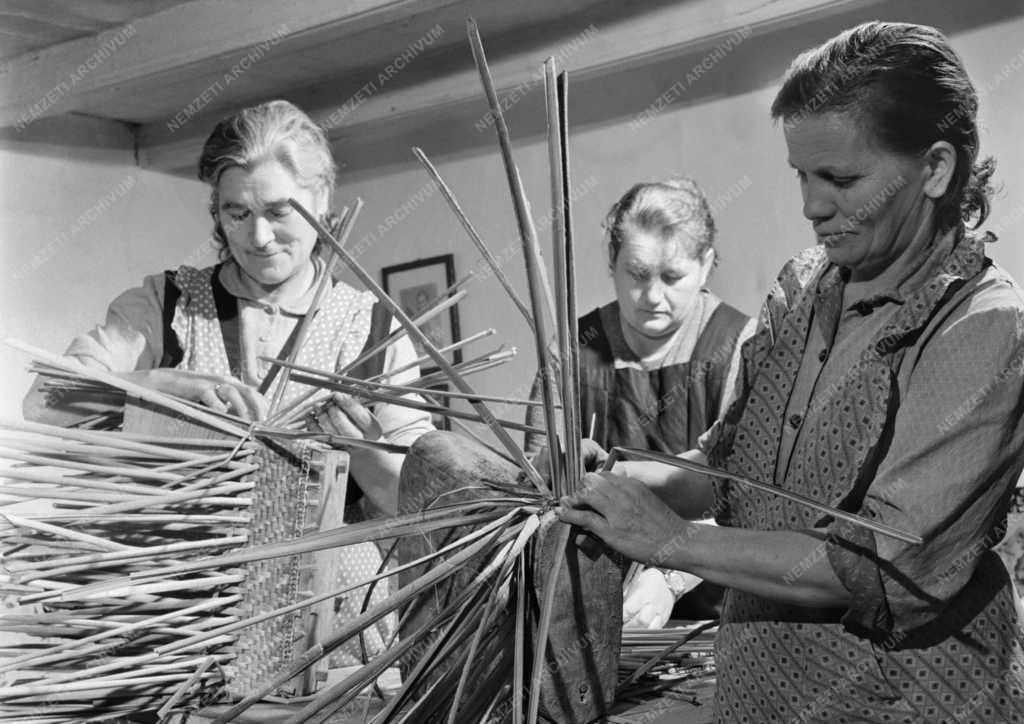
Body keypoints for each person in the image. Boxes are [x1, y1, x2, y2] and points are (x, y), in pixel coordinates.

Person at [558, 22, 1024, 722]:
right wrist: (617, 481)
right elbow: (725, 468)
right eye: (801, 175)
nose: (811, 205)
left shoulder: (982, 328)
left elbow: (879, 567)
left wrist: (668, 541)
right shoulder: (804, 287)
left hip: (898, 704)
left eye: (840, 178)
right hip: (758, 696)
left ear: (935, 169)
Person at [22, 99, 434, 666]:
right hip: (183, 621)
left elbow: (422, 507)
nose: (258, 236)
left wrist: (360, 454)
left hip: (331, 629)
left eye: (280, 210)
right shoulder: (169, 304)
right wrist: (160, 387)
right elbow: (46, 399)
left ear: (323, 200)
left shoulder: (375, 329)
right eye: (236, 213)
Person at [524, 177, 754, 627]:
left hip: (718, 618)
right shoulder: (571, 355)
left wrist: (669, 574)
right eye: (637, 274)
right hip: (590, 617)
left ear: (706, 264)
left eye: (672, 278)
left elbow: (747, 498)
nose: (652, 296)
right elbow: (537, 495)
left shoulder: (741, 346)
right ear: (612, 261)